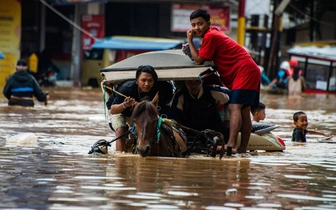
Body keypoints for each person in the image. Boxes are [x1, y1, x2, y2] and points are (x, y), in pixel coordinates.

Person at [184, 9, 261, 155]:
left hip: (244, 70)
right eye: (193, 25)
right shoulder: (212, 34)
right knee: (244, 111)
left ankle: (231, 144)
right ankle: (243, 149)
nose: (196, 28)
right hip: (249, 69)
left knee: (234, 108)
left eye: (200, 24)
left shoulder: (210, 35)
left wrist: (189, 41)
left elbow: (199, 60)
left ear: (208, 23)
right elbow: (204, 58)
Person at [106, 65, 173, 152]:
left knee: (147, 127)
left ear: (154, 82)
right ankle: (120, 157)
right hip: (121, 111)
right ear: (137, 81)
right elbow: (113, 110)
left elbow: (166, 105)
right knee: (121, 130)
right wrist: (125, 104)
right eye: (143, 80)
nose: (146, 84)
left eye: (150, 81)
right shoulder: (126, 88)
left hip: (142, 114)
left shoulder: (162, 89)